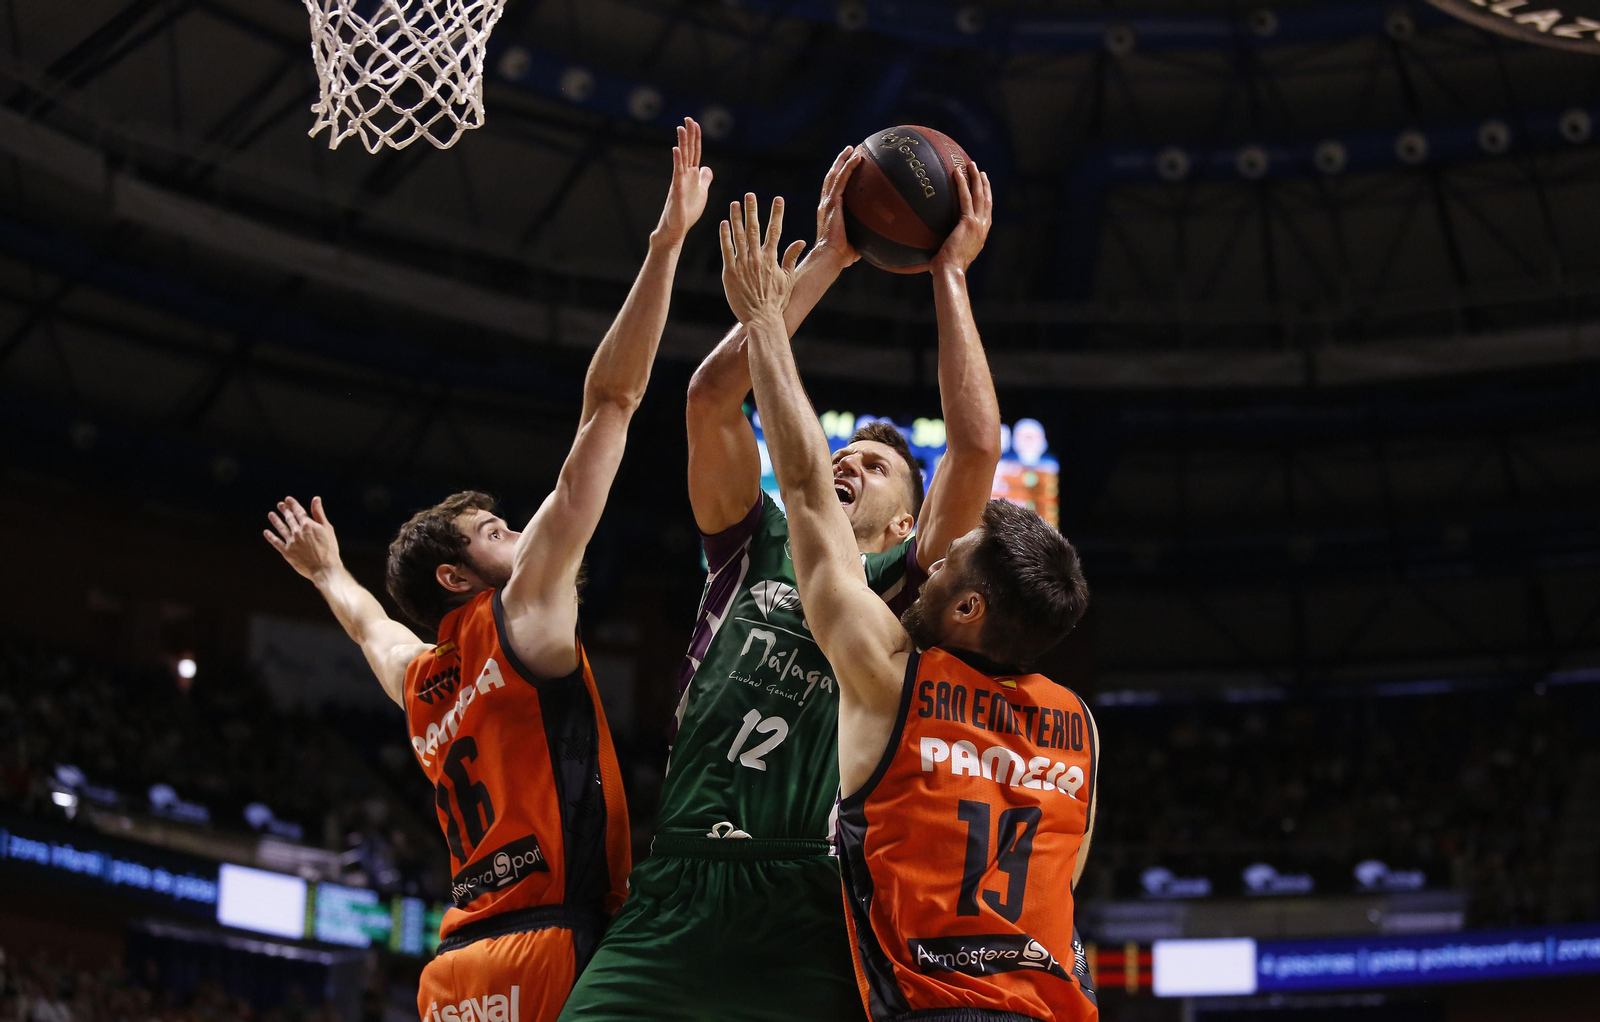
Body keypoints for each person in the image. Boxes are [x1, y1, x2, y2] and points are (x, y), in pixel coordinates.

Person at [264, 119, 715, 1022]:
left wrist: (328, 574)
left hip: (457, 968)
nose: (517, 531)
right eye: (494, 528)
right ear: (457, 576)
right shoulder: (526, 610)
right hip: (555, 940)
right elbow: (611, 404)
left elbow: (369, 626)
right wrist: (666, 245)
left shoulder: (423, 681)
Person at [560, 152, 1002, 1020]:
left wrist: (948, 274)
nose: (849, 463)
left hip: (811, 891)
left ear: (906, 525)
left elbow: (977, 447)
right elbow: (708, 398)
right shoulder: (751, 540)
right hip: (679, 878)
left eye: (874, 467)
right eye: (842, 454)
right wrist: (828, 257)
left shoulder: (909, 586)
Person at [723, 193, 1100, 1021]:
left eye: (944, 567)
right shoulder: (1078, 724)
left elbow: (804, 495)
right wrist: (951, 271)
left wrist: (764, 323)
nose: (926, 575)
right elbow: (1063, 878)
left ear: (967, 607)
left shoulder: (892, 675)